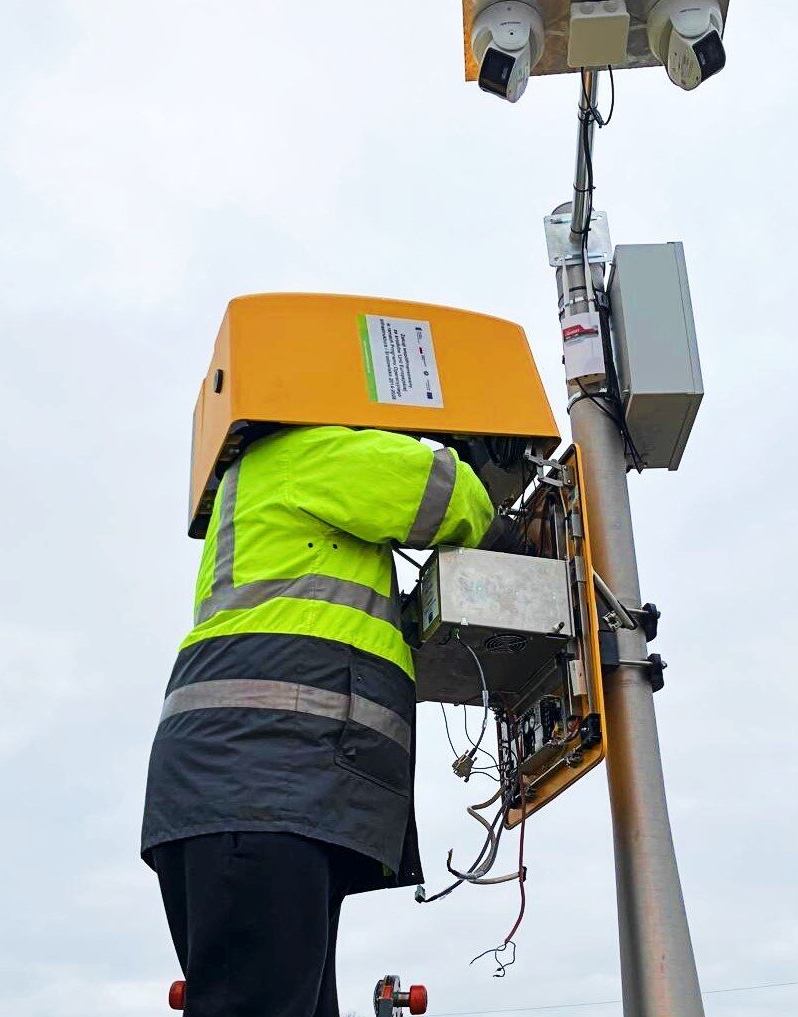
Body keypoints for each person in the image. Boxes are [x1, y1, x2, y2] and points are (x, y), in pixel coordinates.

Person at [142, 424, 524, 1017]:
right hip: (264, 786)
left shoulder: (274, 478)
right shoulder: (307, 451)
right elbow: (447, 493)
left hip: (259, 790)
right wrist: (505, 523)